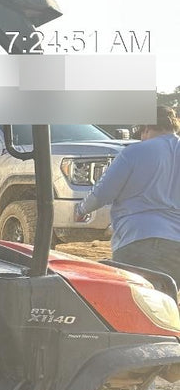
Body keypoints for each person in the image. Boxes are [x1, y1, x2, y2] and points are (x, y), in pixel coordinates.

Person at [76, 105, 180, 287]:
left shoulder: (135, 152)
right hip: (176, 244)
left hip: (139, 240)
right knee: (168, 307)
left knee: (136, 304)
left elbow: (103, 192)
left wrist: (81, 209)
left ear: (147, 127)